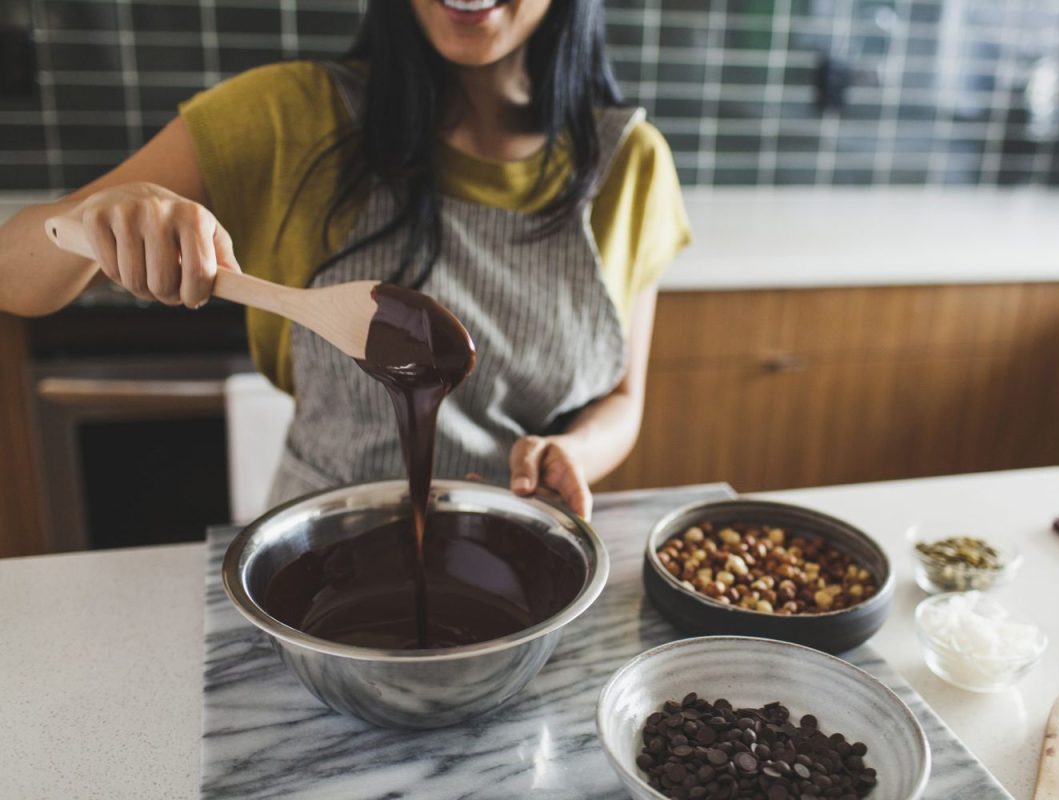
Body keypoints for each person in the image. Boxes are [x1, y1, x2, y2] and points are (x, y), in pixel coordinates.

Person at [0, 0, 689, 519]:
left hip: (519, 541)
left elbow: (621, 399)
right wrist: (87, 222)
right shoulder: (290, 115)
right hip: (322, 549)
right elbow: (11, 273)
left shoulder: (630, 164)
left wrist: (573, 453)